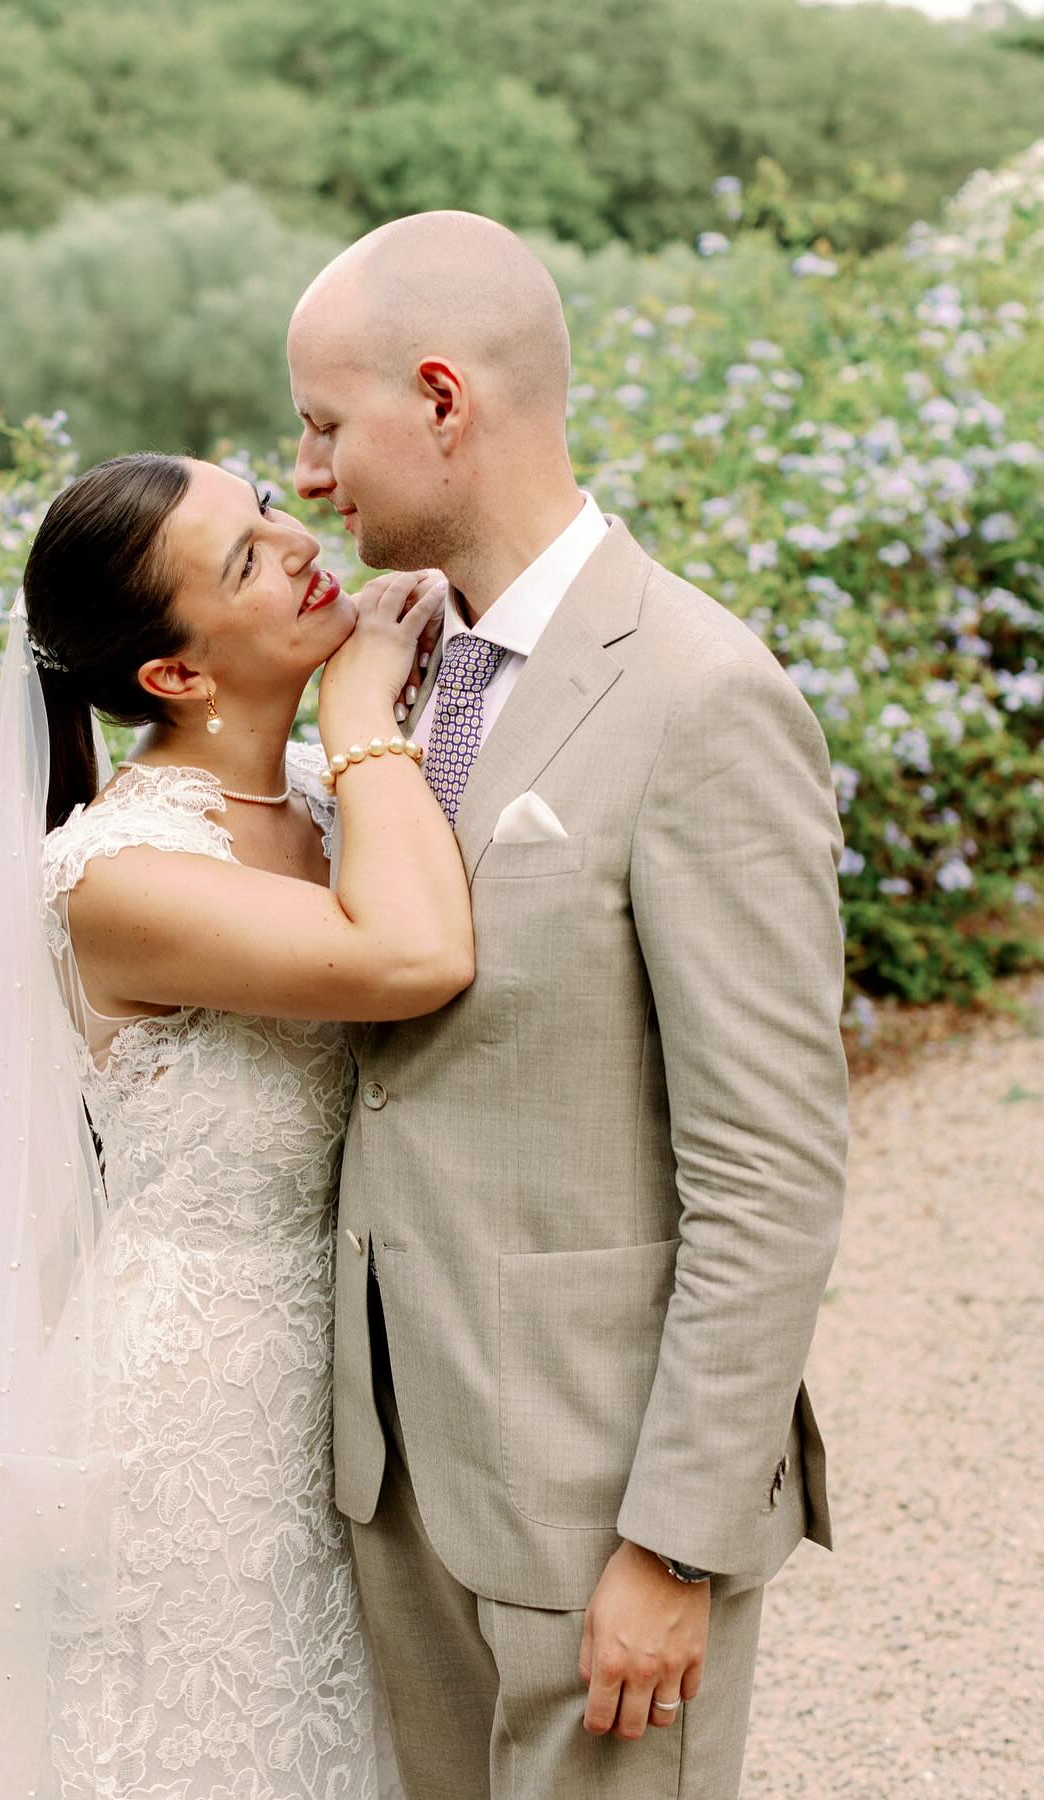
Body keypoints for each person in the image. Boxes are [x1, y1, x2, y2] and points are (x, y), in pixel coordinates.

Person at [287, 211, 850, 1798]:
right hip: (396, 1474)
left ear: (445, 400)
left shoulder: (702, 695)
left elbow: (773, 1162)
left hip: (596, 1488)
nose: (309, 476)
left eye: (328, 424)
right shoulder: (392, 676)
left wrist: (673, 1542)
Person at [0, 449, 466, 1796]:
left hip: (366, 1387)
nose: (296, 538)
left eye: (263, 501)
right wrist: (367, 701)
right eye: (247, 558)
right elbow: (408, 958)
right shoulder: (122, 876)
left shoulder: (330, 802)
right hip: (196, 1416)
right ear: (178, 677)